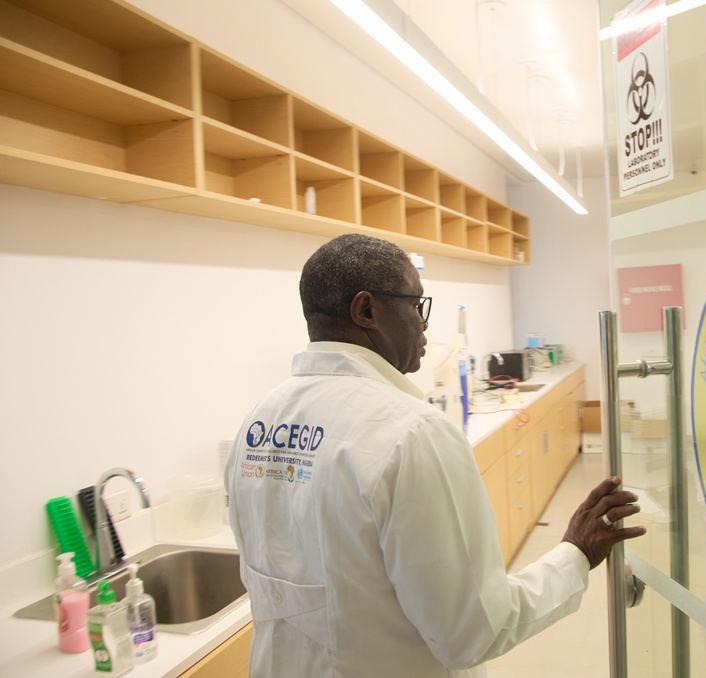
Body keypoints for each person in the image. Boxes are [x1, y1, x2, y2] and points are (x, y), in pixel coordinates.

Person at [226, 233, 645, 677]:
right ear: (366, 310)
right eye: (416, 305)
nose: (424, 325)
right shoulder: (412, 433)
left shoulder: (259, 421)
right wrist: (575, 554)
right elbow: (472, 631)